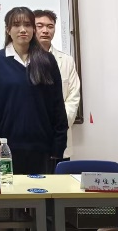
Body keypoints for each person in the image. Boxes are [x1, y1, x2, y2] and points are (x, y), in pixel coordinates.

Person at [0, 7, 67, 175]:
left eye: (27, 25)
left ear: (33, 29)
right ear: (8, 30)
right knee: (11, 190)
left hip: (42, 145)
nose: (22, 29)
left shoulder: (47, 60)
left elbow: (57, 104)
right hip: (7, 146)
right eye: (16, 25)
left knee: (42, 190)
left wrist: (59, 143)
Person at [34, 9, 81, 160]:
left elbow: (73, 97)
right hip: (32, 135)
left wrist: (60, 123)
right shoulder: (22, 60)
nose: (45, 30)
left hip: (59, 134)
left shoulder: (66, 61)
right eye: (40, 26)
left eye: (50, 26)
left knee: (60, 173)